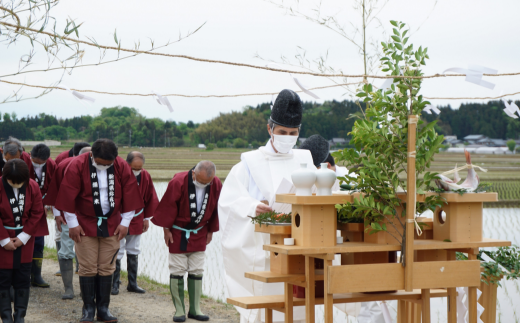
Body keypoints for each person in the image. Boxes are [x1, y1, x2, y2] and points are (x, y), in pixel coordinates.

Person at [218, 89, 314, 323]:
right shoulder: (250, 163)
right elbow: (228, 202)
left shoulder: (305, 160)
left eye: (292, 133)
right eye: (282, 131)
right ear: (269, 128)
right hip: (263, 248)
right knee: (266, 311)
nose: (287, 136)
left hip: (299, 248)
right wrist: (252, 207)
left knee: (299, 310)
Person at [55, 139, 143, 323]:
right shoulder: (77, 164)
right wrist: (72, 224)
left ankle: (103, 308)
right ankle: (88, 309)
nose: (104, 167)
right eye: (100, 163)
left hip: (112, 224)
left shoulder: (120, 166)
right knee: (87, 267)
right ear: (91, 155)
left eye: (108, 164)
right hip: (85, 223)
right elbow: (67, 195)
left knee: (106, 266)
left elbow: (130, 194)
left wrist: (125, 222)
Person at [152, 161, 221, 322]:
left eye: (207, 183)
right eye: (201, 181)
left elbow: (218, 207)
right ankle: (179, 310)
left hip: (200, 231)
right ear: (193, 174)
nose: (203, 185)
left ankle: (195, 309)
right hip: (178, 231)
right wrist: (166, 230)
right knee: (177, 269)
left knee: (197, 269)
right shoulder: (178, 181)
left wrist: (211, 230)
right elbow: (167, 207)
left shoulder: (216, 183)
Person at [0, 159, 49, 322]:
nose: (16, 184)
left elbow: (37, 212)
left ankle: (20, 316)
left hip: (25, 237)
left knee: (23, 278)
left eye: (20, 182)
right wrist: (4, 239)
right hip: (2, 236)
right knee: (3, 279)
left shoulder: (32, 186)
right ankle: (6, 317)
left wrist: (23, 237)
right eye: (12, 182)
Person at [44, 146, 92, 300]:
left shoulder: (102, 168)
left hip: (91, 218)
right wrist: (57, 214)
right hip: (68, 216)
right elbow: (56, 192)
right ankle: (68, 288)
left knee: (88, 253)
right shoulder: (65, 166)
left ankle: (87, 289)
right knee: (66, 250)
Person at [111, 151, 159, 295]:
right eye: (134, 168)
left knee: (134, 249)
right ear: (127, 164)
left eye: (139, 168)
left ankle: (132, 283)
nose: (137, 171)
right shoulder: (117, 174)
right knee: (117, 250)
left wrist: (146, 218)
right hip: (120, 218)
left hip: (138, 217)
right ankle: (115, 284)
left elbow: (150, 197)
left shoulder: (145, 176)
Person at [27, 144, 57, 288]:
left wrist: (47, 204)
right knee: (25, 239)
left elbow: (54, 186)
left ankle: (36, 275)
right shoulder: (23, 161)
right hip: (24, 206)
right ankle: (23, 275)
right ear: (30, 155)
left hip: (42, 207)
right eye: (35, 162)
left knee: (39, 240)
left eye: (41, 163)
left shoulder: (51, 165)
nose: (38, 165)